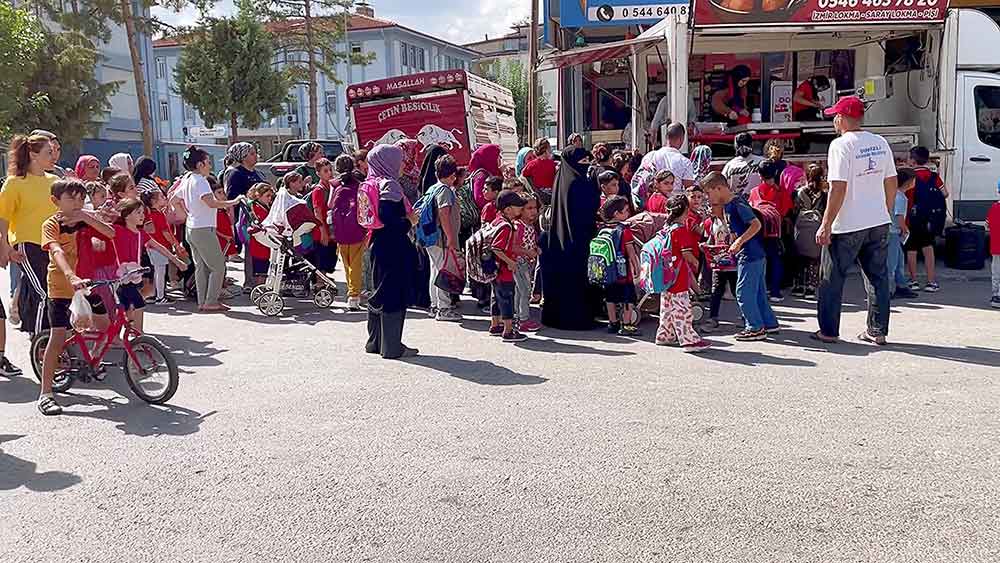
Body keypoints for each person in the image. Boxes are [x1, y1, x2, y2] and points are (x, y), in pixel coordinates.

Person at [814, 96, 897, 345]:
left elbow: (838, 187)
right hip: (877, 221)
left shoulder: (841, 145)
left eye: (834, 117)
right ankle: (877, 331)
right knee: (878, 278)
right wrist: (885, 211)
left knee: (831, 279)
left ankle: (828, 331)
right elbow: (891, 181)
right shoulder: (880, 142)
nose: (834, 121)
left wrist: (826, 223)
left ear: (841, 118)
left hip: (847, 224)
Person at [38, 179, 114, 415]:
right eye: (71, 198)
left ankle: (91, 359)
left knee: (105, 325)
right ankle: (46, 393)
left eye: (81, 198)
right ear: (55, 201)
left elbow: (110, 233)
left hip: (88, 283)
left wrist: (88, 217)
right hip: (61, 286)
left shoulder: (84, 220)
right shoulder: (51, 224)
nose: (77, 203)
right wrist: (70, 275)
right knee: (58, 336)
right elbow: (56, 251)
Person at [703, 171, 779, 341]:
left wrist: (739, 242)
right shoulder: (729, 205)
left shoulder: (737, 204)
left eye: (709, 192)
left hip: (750, 254)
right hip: (753, 254)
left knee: (743, 292)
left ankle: (755, 328)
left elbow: (755, 224)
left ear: (719, 188)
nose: (708, 197)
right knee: (758, 292)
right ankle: (769, 323)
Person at [0, 134, 59, 336]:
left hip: (54, 245)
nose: (54, 157)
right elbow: (3, 218)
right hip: (28, 245)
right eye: (48, 153)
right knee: (44, 294)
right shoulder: (15, 183)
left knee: (55, 293)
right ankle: (41, 339)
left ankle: (55, 339)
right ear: (33, 155)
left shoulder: (55, 181)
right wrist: (6, 247)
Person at [365, 144, 419, 359]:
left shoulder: (371, 182)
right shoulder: (390, 186)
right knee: (393, 293)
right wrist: (409, 221)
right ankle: (392, 346)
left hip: (376, 243)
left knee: (378, 291)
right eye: (398, 159)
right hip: (393, 246)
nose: (402, 164)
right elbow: (390, 221)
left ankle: (375, 342)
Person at [172, 146, 241, 313]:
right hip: (203, 229)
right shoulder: (201, 181)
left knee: (201, 267)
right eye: (208, 162)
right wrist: (233, 202)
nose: (210, 165)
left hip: (192, 228)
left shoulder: (188, 179)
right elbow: (212, 203)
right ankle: (210, 301)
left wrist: (187, 214)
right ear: (200, 164)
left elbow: (174, 199)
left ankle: (203, 301)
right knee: (218, 266)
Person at [541, 147, 601, 330]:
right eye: (583, 162)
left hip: (562, 238)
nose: (587, 165)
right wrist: (592, 184)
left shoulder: (562, 179)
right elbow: (590, 206)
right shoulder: (578, 183)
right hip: (579, 239)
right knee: (578, 278)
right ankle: (578, 318)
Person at [113, 198, 186, 332]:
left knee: (127, 309)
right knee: (137, 304)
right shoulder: (116, 229)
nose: (142, 216)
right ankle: (138, 335)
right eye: (138, 212)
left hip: (134, 275)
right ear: (127, 215)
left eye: (143, 212)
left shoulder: (141, 233)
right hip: (120, 277)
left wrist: (177, 261)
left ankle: (122, 335)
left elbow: (160, 247)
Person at [654, 195, 710, 352]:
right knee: (682, 309)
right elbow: (686, 254)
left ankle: (665, 335)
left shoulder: (666, 229)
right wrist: (698, 264)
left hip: (665, 273)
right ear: (686, 210)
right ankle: (689, 340)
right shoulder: (681, 230)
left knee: (667, 307)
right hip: (678, 275)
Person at [422, 154, 463, 322]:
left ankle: (434, 305)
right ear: (452, 174)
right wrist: (451, 237)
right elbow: (444, 214)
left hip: (430, 237)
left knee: (435, 270)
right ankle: (444, 309)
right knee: (443, 271)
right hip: (441, 238)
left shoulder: (433, 188)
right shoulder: (445, 191)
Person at [905, 145, 948, 293]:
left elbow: (904, 196)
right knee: (928, 248)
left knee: (911, 249)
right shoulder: (934, 176)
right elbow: (945, 193)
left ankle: (914, 281)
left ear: (912, 161)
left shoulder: (910, 177)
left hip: (912, 218)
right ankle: (931, 282)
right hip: (929, 219)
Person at [487, 190, 528, 343]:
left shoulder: (497, 220)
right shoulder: (506, 226)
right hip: (504, 270)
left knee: (496, 298)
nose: (520, 209)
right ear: (508, 209)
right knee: (507, 299)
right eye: (518, 206)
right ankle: (508, 330)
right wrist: (510, 262)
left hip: (493, 268)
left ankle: (495, 324)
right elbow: (496, 248)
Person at [749, 159, 793, 302]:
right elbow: (786, 210)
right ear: (775, 173)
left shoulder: (754, 192)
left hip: (757, 231)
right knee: (775, 259)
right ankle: (775, 291)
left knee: (759, 260)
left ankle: (761, 289)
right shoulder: (781, 191)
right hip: (775, 231)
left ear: (760, 175)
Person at [330, 155, 367, 311]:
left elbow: (330, 206)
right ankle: (354, 295)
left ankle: (352, 294)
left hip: (341, 231)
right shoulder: (360, 185)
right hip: (357, 229)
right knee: (356, 265)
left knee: (347, 265)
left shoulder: (336, 186)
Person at [599, 196, 640, 336]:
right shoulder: (624, 230)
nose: (628, 213)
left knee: (610, 297)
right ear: (617, 213)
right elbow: (631, 252)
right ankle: (626, 325)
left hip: (608, 271)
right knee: (627, 299)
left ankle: (612, 323)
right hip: (624, 273)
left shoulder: (602, 229)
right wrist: (636, 267)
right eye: (626, 211)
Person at [141, 189, 186, 304]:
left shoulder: (152, 214)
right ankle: (160, 296)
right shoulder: (157, 215)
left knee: (158, 271)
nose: (164, 198)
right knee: (160, 271)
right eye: (161, 197)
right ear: (153, 201)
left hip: (153, 247)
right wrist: (175, 244)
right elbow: (166, 233)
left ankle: (157, 294)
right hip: (159, 247)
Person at [791, 164, 828, 297]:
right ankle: (811, 286)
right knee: (814, 259)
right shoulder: (824, 195)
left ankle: (798, 285)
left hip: (801, 227)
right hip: (816, 227)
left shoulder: (798, 192)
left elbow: (793, 211)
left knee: (800, 258)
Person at [702, 203, 738, 332]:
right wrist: (706, 246)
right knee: (716, 290)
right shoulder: (712, 221)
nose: (709, 208)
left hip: (733, 263)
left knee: (736, 291)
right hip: (718, 263)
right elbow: (712, 238)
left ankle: (747, 317)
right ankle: (713, 318)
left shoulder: (730, 221)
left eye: (712, 206)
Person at [889, 168, 919, 300]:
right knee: (892, 262)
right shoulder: (900, 197)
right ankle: (889, 289)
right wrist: (905, 228)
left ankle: (901, 285)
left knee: (899, 260)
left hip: (893, 231)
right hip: (893, 232)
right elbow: (899, 216)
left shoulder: (895, 194)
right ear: (908, 182)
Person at [513, 193, 541, 332]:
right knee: (524, 290)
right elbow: (514, 246)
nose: (533, 211)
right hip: (519, 261)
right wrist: (528, 252)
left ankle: (518, 316)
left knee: (520, 290)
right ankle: (523, 319)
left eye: (534, 208)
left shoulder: (529, 225)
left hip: (527, 262)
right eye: (529, 208)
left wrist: (535, 248)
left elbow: (530, 241)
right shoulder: (518, 226)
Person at [650, 123, 695, 193]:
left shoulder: (652, 156)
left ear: (666, 137)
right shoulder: (684, 162)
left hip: (656, 201)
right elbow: (689, 189)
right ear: (682, 139)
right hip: (675, 202)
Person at [246, 183, 274, 288]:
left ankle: (260, 287)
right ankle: (259, 287)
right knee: (260, 267)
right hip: (259, 241)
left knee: (263, 265)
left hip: (264, 241)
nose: (269, 198)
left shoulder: (264, 206)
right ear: (258, 195)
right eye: (267, 196)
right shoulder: (255, 207)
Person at [722, 132, 764, 197]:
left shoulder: (729, 165)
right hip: (752, 202)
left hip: (751, 202)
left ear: (736, 146)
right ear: (751, 144)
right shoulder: (762, 161)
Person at [470, 144, 503, 208]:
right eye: (498, 156)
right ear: (489, 158)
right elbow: (480, 200)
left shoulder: (493, 171)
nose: (500, 158)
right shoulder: (481, 176)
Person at [988, 181, 1000, 308]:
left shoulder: (994, 208)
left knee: (996, 271)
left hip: (996, 246)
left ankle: (995, 295)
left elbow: (987, 224)